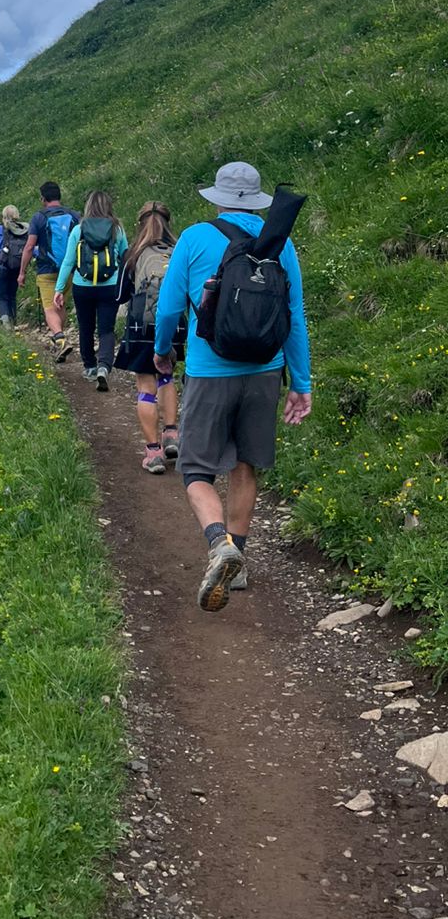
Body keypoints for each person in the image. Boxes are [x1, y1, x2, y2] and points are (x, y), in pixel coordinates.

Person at [153, 161, 312, 612]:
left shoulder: (194, 237)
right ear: (257, 201)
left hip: (208, 371)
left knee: (196, 469)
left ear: (217, 198)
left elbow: (167, 309)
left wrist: (163, 351)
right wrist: (301, 382)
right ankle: (238, 560)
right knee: (246, 463)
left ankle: (219, 544)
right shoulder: (280, 243)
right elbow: (294, 317)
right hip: (266, 371)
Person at [115, 202, 183, 473]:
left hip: (140, 327)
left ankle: (153, 452)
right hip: (175, 325)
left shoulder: (133, 254)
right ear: (168, 221)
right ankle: (171, 434)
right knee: (166, 377)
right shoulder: (179, 251)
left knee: (145, 388)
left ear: (140, 223)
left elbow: (119, 295)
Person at [53, 191, 127, 390]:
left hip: (82, 286)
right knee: (106, 329)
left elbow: (68, 261)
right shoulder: (116, 229)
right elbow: (126, 256)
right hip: (110, 285)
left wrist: (59, 289)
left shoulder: (79, 229)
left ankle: (90, 367)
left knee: (85, 327)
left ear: (88, 206)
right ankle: (104, 366)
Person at [19, 182, 79, 360]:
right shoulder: (74, 215)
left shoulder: (39, 217)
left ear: (43, 198)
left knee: (49, 308)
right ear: (59, 196)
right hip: (68, 270)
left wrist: (22, 272)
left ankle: (60, 338)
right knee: (60, 303)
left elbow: (30, 246)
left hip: (46, 270)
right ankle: (59, 340)